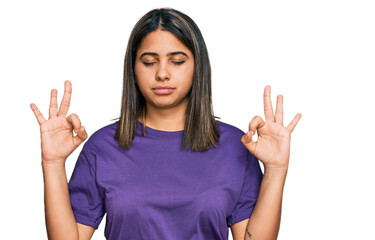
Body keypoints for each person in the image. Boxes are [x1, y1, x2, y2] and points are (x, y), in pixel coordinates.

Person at [30, 7, 301, 240]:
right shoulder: (103, 146)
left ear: (198, 67)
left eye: (177, 61)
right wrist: (52, 163)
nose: (162, 73)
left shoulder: (235, 146)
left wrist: (276, 169)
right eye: (149, 62)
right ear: (132, 69)